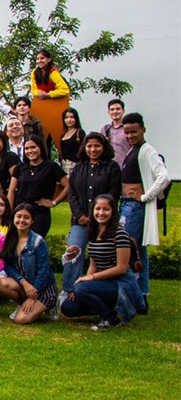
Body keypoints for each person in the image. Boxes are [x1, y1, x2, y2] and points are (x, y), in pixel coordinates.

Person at [61, 195, 144, 329]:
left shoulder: (120, 234)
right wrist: (84, 284)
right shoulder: (94, 232)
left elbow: (121, 268)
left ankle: (110, 318)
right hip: (103, 284)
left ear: (113, 212)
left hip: (120, 283)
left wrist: (89, 280)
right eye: (97, 209)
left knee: (81, 289)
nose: (101, 213)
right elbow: (93, 265)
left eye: (106, 209)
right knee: (68, 308)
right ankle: (107, 308)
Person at [119, 112, 170, 300]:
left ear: (143, 130)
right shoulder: (134, 149)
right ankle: (141, 293)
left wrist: (145, 196)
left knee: (128, 248)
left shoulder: (147, 150)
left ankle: (131, 294)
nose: (131, 135)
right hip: (128, 204)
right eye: (127, 132)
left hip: (134, 207)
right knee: (139, 250)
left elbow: (163, 177)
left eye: (134, 131)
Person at [64, 132, 122, 294]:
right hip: (80, 221)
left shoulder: (112, 167)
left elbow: (113, 196)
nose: (93, 149)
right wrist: (80, 216)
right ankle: (68, 291)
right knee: (73, 253)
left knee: (105, 256)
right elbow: (72, 194)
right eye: (89, 146)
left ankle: (102, 291)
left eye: (97, 145)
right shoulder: (79, 167)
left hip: (104, 223)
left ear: (104, 147)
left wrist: (97, 218)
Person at [0, 204, 58, 324]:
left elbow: (43, 272)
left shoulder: (38, 241)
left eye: (26, 217)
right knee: (1, 283)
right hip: (26, 285)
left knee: (21, 320)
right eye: (19, 216)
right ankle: (24, 305)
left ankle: (51, 305)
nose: (22, 220)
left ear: (32, 220)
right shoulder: (10, 238)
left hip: (43, 289)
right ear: (13, 218)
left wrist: (33, 296)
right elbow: (8, 266)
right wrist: (22, 282)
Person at [8, 135, 68, 237]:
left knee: (33, 244)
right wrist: (9, 213)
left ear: (40, 147)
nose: (30, 151)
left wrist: (54, 202)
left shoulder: (51, 166)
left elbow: (68, 186)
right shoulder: (20, 167)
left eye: (33, 147)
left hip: (39, 213)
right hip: (19, 210)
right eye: (27, 148)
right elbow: (12, 191)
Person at [100, 99, 130, 168]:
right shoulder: (105, 129)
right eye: (112, 109)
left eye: (118, 109)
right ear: (108, 112)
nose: (115, 111)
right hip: (109, 169)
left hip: (125, 167)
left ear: (123, 111)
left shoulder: (128, 129)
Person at [58, 107, 85, 174]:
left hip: (77, 166)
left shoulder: (80, 132)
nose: (69, 120)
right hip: (64, 166)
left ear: (76, 118)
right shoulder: (63, 134)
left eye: (71, 117)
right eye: (66, 117)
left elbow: (83, 150)